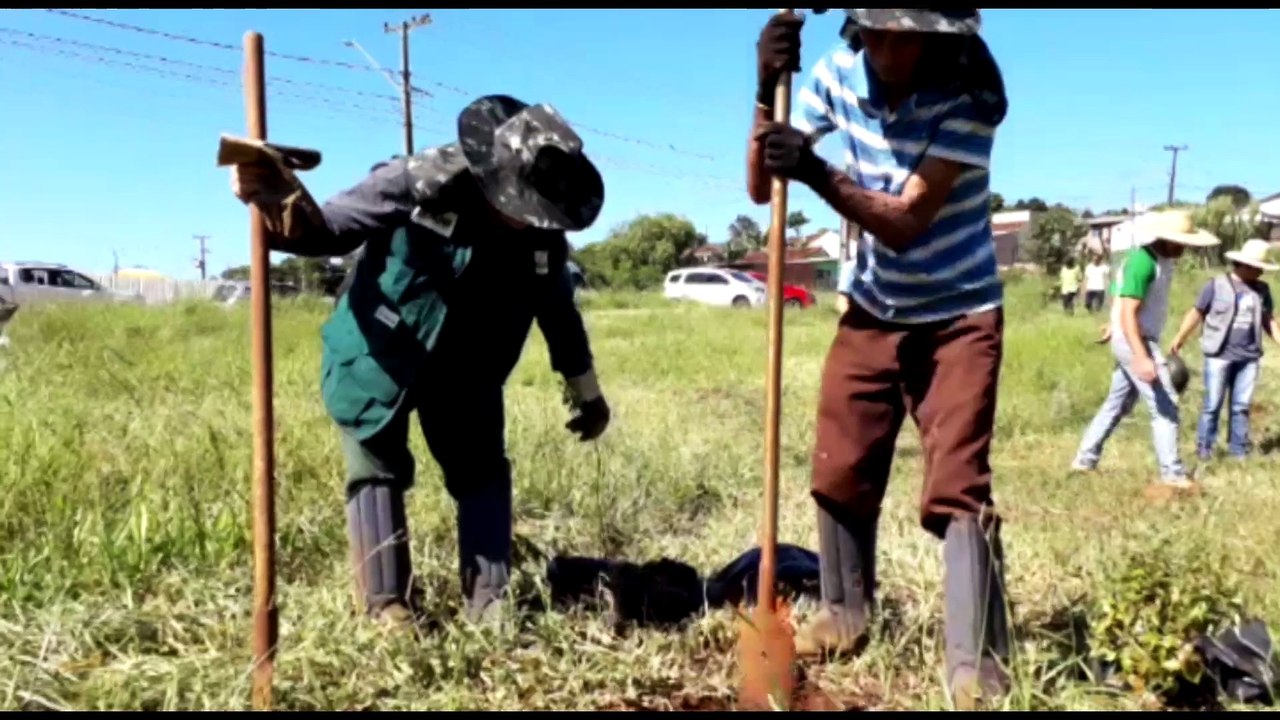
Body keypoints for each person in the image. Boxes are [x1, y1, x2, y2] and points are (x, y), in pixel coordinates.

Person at [227, 95, 612, 628]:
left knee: (481, 474)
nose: (526, 221)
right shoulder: (415, 181)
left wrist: (586, 391)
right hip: (378, 355)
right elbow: (325, 230)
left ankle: (488, 603)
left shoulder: (545, 226)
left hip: (469, 371)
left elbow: (558, 312)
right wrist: (275, 197)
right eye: (518, 204)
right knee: (376, 469)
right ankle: (388, 604)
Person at [749, 8, 1012, 708]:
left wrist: (813, 169)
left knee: (957, 483)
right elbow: (758, 185)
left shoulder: (970, 93)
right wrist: (763, 84)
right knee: (841, 461)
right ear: (856, 25)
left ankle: (977, 662)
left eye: (910, 33)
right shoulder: (836, 74)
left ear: (941, 35)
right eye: (878, 30)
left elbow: (904, 221)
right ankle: (844, 613)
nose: (892, 48)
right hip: (871, 307)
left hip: (958, 313)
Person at [1071, 210, 1219, 494]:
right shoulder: (1143, 261)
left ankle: (1084, 460)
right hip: (1136, 340)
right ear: (1165, 238)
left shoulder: (1162, 260)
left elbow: (1120, 293)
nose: (1184, 248)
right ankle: (1173, 475)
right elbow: (1128, 309)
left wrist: (1113, 324)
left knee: (1117, 404)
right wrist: (1140, 355)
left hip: (1132, 336)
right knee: (1165, 404)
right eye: (1180, 242)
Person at [1168, 238, 1279, 460]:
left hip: (1248, 357)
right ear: (1246, 265)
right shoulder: (1216, 285)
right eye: (1259, 268)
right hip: (1219, 355)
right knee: (1212, 405)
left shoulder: (1262, 290)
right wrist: (1180, 337)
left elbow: (1269, 320)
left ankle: (1238, 450)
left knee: (1241, 406)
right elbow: (1197, 313)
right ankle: (1205, 450)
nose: (1261, 273)